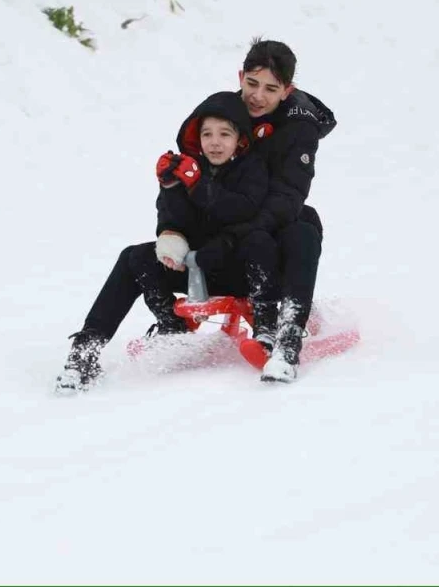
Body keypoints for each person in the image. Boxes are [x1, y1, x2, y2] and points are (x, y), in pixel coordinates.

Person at [55, 91, 278, 393]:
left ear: (239, 139)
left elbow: (242, 210)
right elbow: (173, 223)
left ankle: (268, 328)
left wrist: (198, 184)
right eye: (207, 134)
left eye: (224, 134)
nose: (215, 142)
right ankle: (89, 349)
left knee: (259, 241)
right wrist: (172, 188)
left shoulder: (252, 168)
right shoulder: (187, 169)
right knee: (133, 257)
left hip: (238, 269)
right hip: (197, 269)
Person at [225, 38, 337, 383]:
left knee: (304, 226)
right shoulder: (226, 111)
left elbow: (291, 192)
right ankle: (172, 327)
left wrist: (250, 227)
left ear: (288, 90)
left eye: (271, 88)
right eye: (252, 84)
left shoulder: (299, 126)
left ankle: (287, 338)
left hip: (274, 221)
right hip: (230, 224)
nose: (258, 96)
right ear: (240, 76)